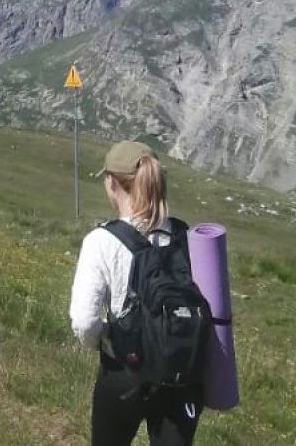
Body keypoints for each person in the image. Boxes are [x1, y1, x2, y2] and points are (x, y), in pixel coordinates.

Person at [69, 141, 202, 446]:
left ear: (112, 183)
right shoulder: (187, 236)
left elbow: (84, 321)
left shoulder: (101, 241)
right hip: (182, 376)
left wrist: (105, 337)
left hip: (123, 371)